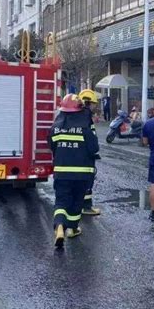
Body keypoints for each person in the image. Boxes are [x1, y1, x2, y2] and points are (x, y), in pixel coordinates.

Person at [48, 94, 99, 248]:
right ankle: (72, 229)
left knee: (61, 201)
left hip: (62, 172)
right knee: (77, 201)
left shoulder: (55, 128)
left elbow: (52, 146)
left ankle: (59, 226)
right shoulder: (85, 128)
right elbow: (94, 149)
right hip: (82, 173)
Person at [78, 89, 101, 216]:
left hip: (78, 153)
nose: (95, 106)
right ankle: (86, 206)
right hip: (86, 154)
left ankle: (81, 204)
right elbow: (89, 136)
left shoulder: (78, 114)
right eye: (94, 103)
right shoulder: (86, 115)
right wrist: (93, 150)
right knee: (87, 180)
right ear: (89, 103)